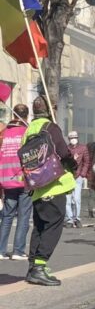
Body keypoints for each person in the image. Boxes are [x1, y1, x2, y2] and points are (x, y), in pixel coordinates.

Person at [22, 97, 77, 286]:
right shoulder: (51, 128)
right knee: (54, 224)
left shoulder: (29, 130)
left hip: (36, 187)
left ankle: (33, 267)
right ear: (51, 109)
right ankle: (39, 266)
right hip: (54, 183)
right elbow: (63, 152)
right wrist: (73, 165)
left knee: (39, 226)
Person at [0, 104, 32, 261]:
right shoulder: (27, 132)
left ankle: (0, 250)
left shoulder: (4, 133)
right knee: (23, 216)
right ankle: (18, 251)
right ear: (26, 115)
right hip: (23, 179)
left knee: (6, 216)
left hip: (6, 180)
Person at [65, 130, 90, 228]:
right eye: (71, 138)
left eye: (74, 138)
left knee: (77, 199)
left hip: (78, 176)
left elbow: (86, 162)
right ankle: (69, 219)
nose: (73, 140)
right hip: (68, 177)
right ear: (69, 139)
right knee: (68, 199)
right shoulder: (66, 149)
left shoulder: (83, 148)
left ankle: (77, 218)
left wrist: (82, 174)